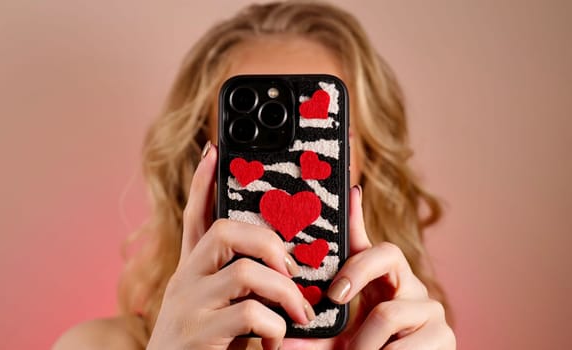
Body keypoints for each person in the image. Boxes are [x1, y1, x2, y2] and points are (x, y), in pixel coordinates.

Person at [54, 1, 456, 349]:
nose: (288, 174)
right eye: (252, 145)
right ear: (203, 169)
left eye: (321, 143)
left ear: (369, 161)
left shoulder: (412, 341)